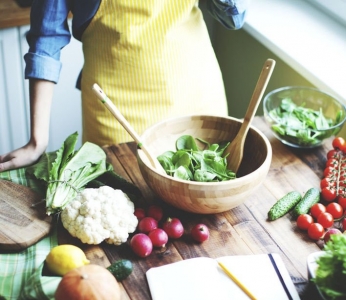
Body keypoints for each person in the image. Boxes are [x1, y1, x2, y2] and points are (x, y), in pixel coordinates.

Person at [0, 0, 248, 172]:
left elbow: (234, 17)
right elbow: (46, 41)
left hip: (197, 95)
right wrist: (37, 141)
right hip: (115, 113)